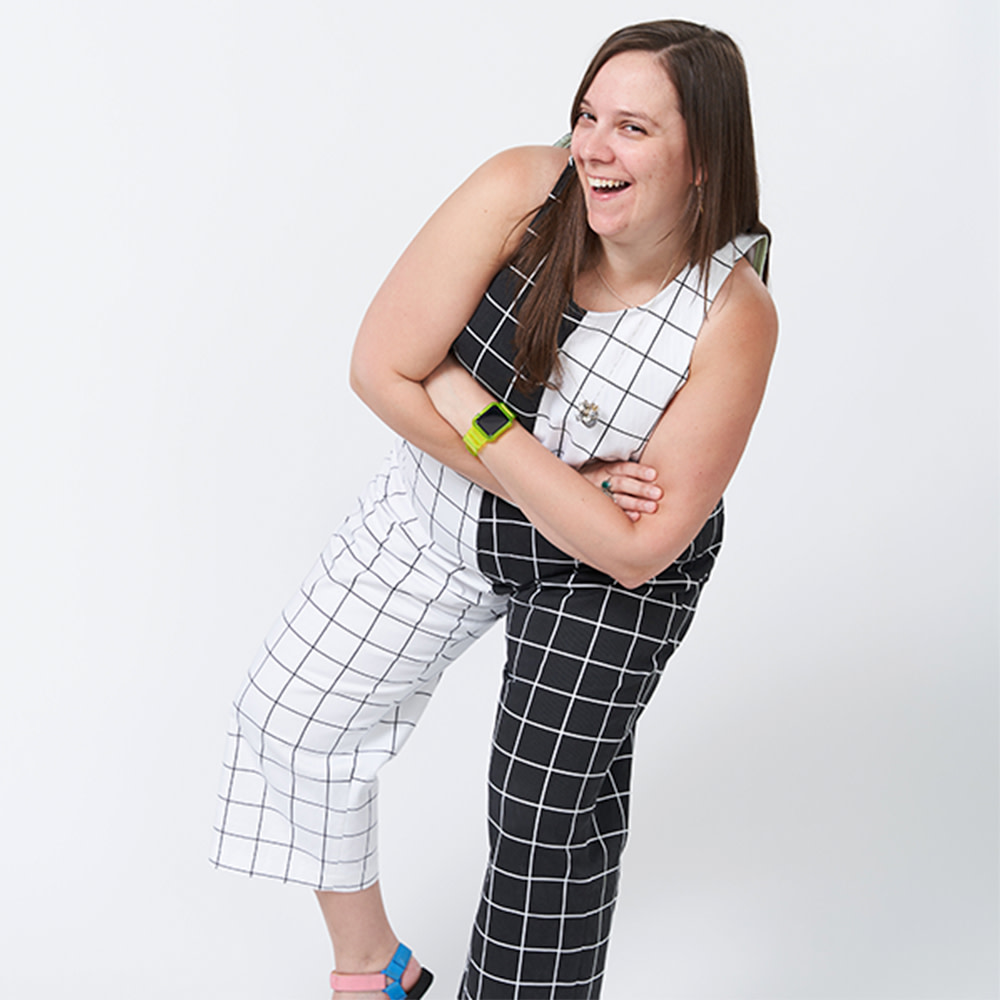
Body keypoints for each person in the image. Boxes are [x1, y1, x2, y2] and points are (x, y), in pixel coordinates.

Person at [212, 18, 777, 1000]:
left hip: (600, 579)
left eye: (633, 129)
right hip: (439, 516)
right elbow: (381, 368)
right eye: (586, 115)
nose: (593, 146)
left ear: (703, 159)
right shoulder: (522, 188)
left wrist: (475, 409)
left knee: (542, 808)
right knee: (291, 715)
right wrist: (561, 482)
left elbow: (635, 547)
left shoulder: (732, 315)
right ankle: (374, 970)